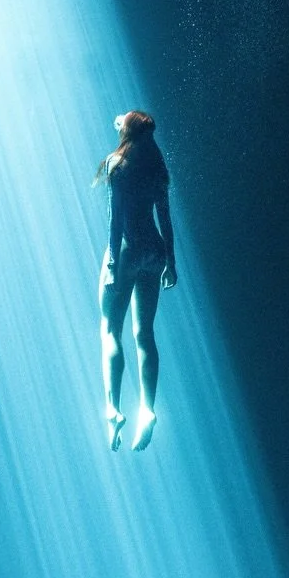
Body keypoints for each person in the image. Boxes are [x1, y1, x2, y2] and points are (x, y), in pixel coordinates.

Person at [97, 110, 177, 450]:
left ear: (126, 132)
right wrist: (171, 262)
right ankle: (147, 409)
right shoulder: (158, 169)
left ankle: (113, 410)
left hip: (128, 251)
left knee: (110, 329)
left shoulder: (118, 165)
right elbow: (166, 219)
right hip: (154, 252)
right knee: (144, 333)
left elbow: (116, 220)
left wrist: (113, 261)